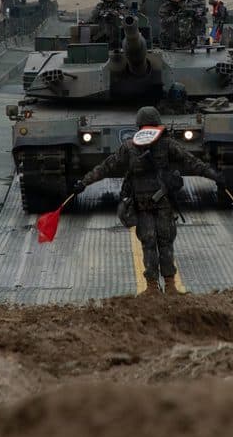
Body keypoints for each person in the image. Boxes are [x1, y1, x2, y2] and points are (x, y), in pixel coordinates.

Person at [73, 106, 224, 296]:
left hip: (152, 203)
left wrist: (84, 183)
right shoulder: (164, 144)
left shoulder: (133, 146)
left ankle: (158, 285)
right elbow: (193, 162)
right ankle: (164, 285)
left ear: (138, 125)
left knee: (152, 242)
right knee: (160, 242)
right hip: (151, 204)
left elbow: (106, 167)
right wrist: (214, 175)